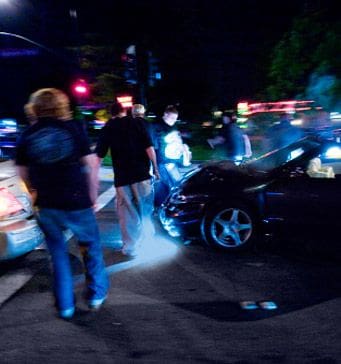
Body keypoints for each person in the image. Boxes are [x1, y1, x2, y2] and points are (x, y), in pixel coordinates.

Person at [15, 88, 109, 319]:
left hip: (47, 204)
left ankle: (65, 306)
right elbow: (90, 166)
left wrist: (35, 191)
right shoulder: (73, 128)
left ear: (35, 107)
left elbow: (22, 172)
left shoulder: (28, 135)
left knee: (57, 255)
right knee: (91, 248)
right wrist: (93, 196)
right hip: (77, 201)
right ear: (61, 106)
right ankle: (96, 295)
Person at [95, 103, 159, 257]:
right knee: (145, 209)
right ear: (124, 111)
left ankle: (130, 247)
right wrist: (155, 168)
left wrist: (94, 178)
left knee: (127, 213)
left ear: (111, 114)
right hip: (142, 174)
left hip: (122, 178)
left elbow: (99, 157)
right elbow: (149, 148)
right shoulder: (137, 123)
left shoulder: (108, 128)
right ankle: (149, 241)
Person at [149, 105, 192, 207]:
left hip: (171, 161)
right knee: (163, 185)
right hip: (162, 162)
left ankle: (166, 206)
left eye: (175, 119)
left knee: (173, 184)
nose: (173, 120)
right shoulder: (156, 126)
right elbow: (154, 145)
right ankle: (160, 207)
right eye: (172, 118)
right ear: (165, 115)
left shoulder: (172, 126)